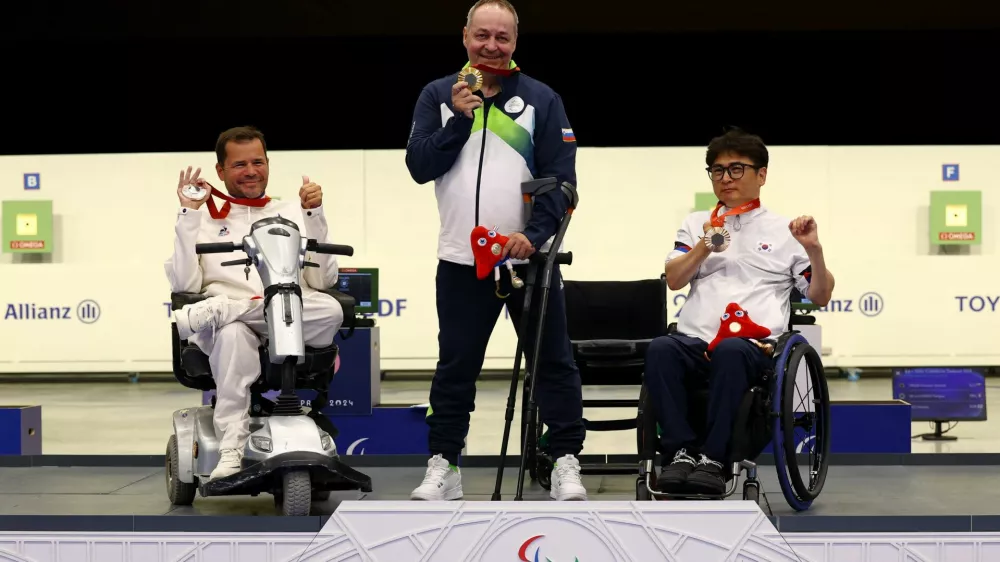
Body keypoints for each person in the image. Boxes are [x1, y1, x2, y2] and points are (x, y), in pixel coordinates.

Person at [403, 0, 587, 501]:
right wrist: (459, 121)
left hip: (529, 260)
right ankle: (445, 465)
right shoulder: (439, 95)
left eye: (501, 37)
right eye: (482, 35)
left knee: (553, 364)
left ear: (515, 41)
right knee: (455, 368)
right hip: (462, 263)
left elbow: (561, 181)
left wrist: (535, 235)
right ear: (465, 36)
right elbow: (419, 166)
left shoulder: (542, 99)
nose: (491, 45)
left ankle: (565, 460)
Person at [646, 128, 835, 495]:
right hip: (693, 341)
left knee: (731, 352)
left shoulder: (784, 231)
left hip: (750, 347)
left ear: (761, 175)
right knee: (660, 349)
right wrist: (707, 242)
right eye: (717, 170)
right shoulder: (696, 223)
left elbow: (821, 295)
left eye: (736, 169)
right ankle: (680, 453)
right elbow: (674, 279)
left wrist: (813, 249)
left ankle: (715, 459)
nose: (726, 178)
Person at [165, 126, 344, 481]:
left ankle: (227, 309)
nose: (251, 171)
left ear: (268, 164)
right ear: (220, 171)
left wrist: (314, 215)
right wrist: (188, 214)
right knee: (232, 334)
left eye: (258, 162)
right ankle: (231, 447)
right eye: (240, 164)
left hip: (284, 312)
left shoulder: (292, 211)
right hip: (229, 331)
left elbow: (323, 282)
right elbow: (184, 285)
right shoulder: (202, 219)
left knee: (332, 310)